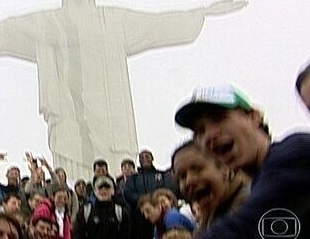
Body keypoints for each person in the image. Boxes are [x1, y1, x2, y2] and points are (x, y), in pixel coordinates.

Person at [0, 0, 247, 180]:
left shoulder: (112, 20)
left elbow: (156, 24)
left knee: (115, 158)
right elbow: (8, 30)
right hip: (69, 110)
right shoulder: (50, 23)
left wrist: (200, 13)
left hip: (109, 110)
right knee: (73, 155)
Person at [174, 84, 310, 238]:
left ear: (253, 116)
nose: (209, 135)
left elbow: (243, 227)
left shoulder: (295, 153)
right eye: (200, 131)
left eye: (218, 118)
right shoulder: (256, 186)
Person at [171, 140, 250, 232]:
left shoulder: (253, 206)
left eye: (197, 169)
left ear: (225, 169)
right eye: (182, 176)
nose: (189, 181)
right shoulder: (210, 218)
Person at [124, 149, 177, 238]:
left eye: (147, 156)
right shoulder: (133, 178)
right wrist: (146, 201)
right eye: (142, 157)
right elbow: (128, 194)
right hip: (139, 219)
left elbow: (168, 190)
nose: (144, 159)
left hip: (161, 215)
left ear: (152, 159)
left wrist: (154, 200)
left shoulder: (162, 175)